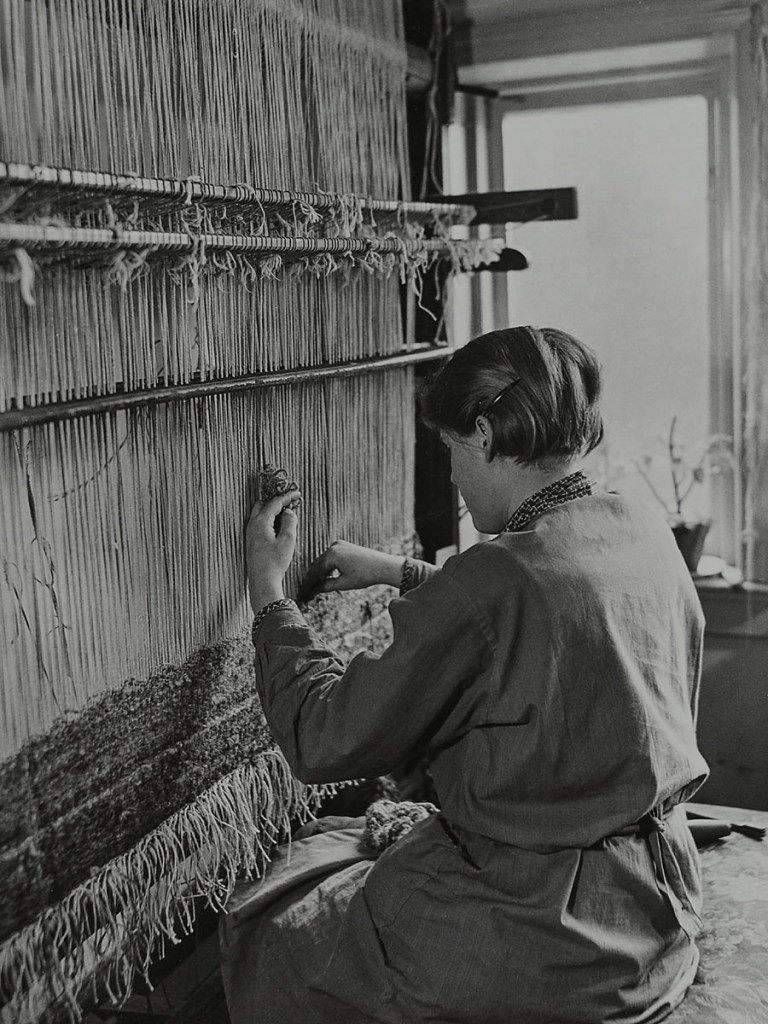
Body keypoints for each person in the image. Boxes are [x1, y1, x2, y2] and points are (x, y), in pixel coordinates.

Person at [221, 325, 709, 1024]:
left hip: (548, 939)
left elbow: (323, 739)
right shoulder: (640, 526)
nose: (450, 475)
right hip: (656, 907)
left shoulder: (492, 582)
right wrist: (399, 573)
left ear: (482, 434)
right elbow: (549, 611)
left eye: (450, 450)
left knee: (274, 924)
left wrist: (268, 593)